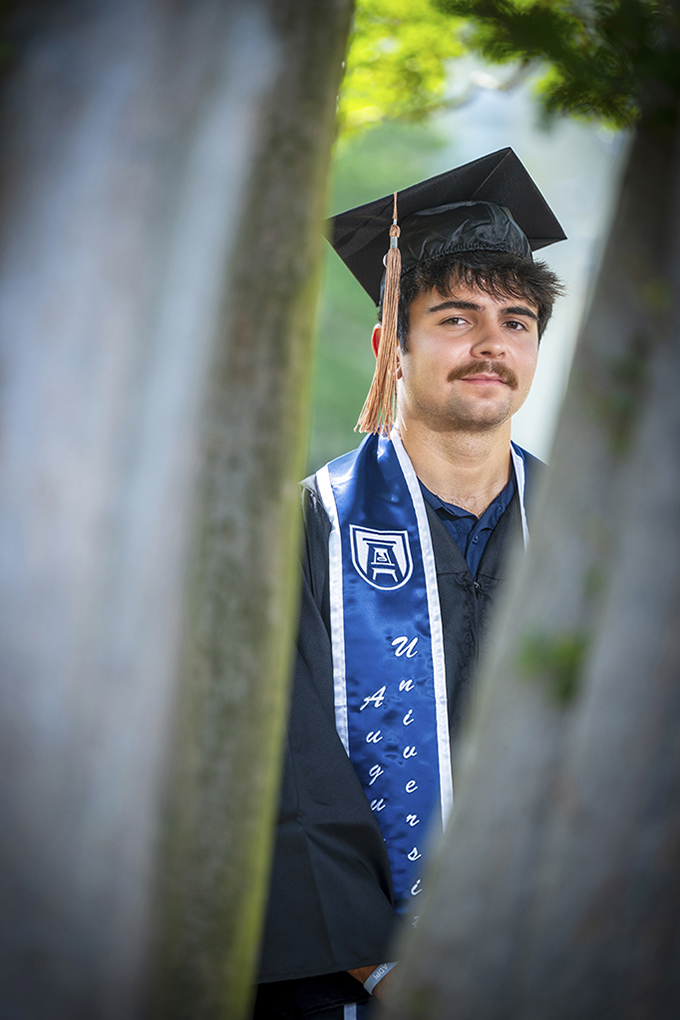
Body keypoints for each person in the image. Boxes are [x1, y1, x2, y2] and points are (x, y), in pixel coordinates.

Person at [254, 148, 565, 1020]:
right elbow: (286, 772)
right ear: (391, 344)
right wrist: (389, 973)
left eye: (515, 322)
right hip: (350, 985)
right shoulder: (304, 529)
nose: (491, 344)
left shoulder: (587, 539)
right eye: (456, 318)